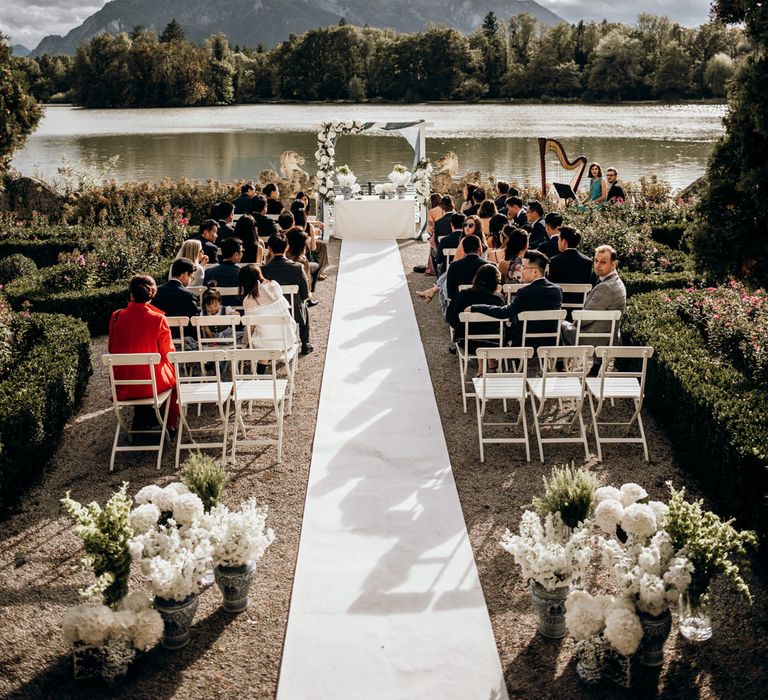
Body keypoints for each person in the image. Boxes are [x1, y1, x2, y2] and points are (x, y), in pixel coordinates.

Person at [108, 274, 178, 429]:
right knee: (173, 379)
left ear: (131, 293)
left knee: (148, 373)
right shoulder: (158, 318)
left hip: (123, 383)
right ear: (153, 293)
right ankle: (169, 424)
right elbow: (168, 352)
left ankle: (142, 419)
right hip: (151, 383)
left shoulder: (116, 316)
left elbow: (112, 348)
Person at [471, 250, 562, 348]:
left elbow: (504, 312)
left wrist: (475, 308)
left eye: (524, 267)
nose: (521, 271)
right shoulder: (557, 290)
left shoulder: (524, 292)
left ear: (535, 272)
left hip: (526, 343)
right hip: (552, 341)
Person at [560, 244, 626, 375]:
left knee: (559, 324)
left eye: (603, 262)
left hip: (593, 339)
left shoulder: (607, 287)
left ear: (614, 264)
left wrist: (573, 325)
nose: (597, 265)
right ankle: (594, 368)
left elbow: (584, 318)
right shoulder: (615, 281)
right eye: (596, 261)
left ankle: (558, 366)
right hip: (607, 335)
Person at [262, 233, 312, 355]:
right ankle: (305, 343)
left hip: (272, 311)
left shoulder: (263, 270)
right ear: (287, 247)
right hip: (294, 311)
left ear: (269, 249)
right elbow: (305, 295)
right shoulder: (298, 267)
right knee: (303, 306)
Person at [239, 264, 297, 368]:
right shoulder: (274, 284)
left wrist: (245, 342)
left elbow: (250, 326)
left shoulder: (248, 300)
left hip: (266, 344)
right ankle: (263, 369)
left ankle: (260, 372)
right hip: (287, 337)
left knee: (261, 337)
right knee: (267, 333)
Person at [447, 264, 504, 343]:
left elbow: (450, 316)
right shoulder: (498, 298)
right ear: (496, 281)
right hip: (493, 342)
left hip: (466, 341)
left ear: (477, 277)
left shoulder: (464, 294)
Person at [153, 257, 200, 326]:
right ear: (185, 275)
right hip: (183, 335)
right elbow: (194, 321)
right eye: (191, 277)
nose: (191, 280)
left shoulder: (156, 291)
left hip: (161, 334)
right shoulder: (189, 295)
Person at [203, 237, 244, 307]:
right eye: (242, 251)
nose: (242, 254)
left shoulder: (208, 272)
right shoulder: (243, 273)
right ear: (236, 255)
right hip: (238, 312)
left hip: (215, 312)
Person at [414, 193, 444, 275]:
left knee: (432, 242)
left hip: (437, 235)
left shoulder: (432, 211)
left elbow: (430, 228)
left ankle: (432, 268)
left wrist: (430, 234)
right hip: (448, 234)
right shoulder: (446, 209)